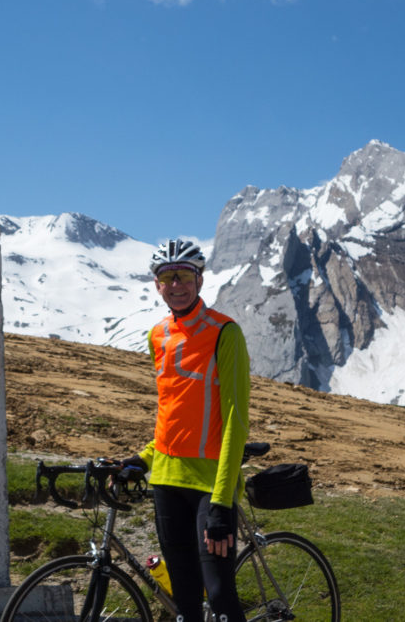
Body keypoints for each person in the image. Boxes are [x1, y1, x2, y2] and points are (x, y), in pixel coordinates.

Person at [120, 239, 251, 622]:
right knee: (186, 604)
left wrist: (222, 502)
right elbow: (172, 413)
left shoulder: (225, 332)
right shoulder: (157, 336)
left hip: (211, 484)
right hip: (166, 481)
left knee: (222, 596)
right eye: (166, 276)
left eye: (184, 275)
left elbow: (235, 421)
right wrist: (143, 459)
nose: (176, 284)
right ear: (156, 284)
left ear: (200, 279)